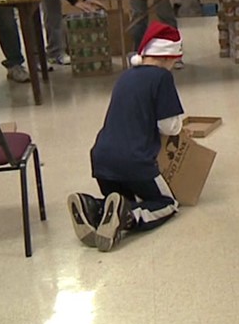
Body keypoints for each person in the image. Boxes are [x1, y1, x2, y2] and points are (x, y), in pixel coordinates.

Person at [66, 22, 185, 252]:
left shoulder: (125, 77)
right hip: (135, 162)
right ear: (169, 58)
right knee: (167, 204)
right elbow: (169, 127)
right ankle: (127, 218)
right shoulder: (162, 78)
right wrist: (180, 123)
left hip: (101, 160)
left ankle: (93, 206)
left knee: (121, 197)